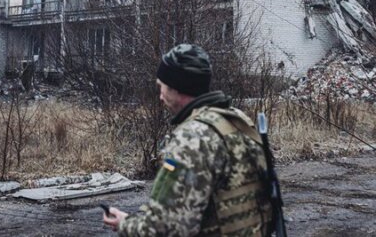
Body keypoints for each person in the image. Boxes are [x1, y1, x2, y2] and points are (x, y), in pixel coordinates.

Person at [103, 43, 272, 236]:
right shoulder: (237, 120)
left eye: (162, 87)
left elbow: (168, 229)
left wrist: (125, 224)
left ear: (176, 87)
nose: (160, 96)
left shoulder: (193, 138)